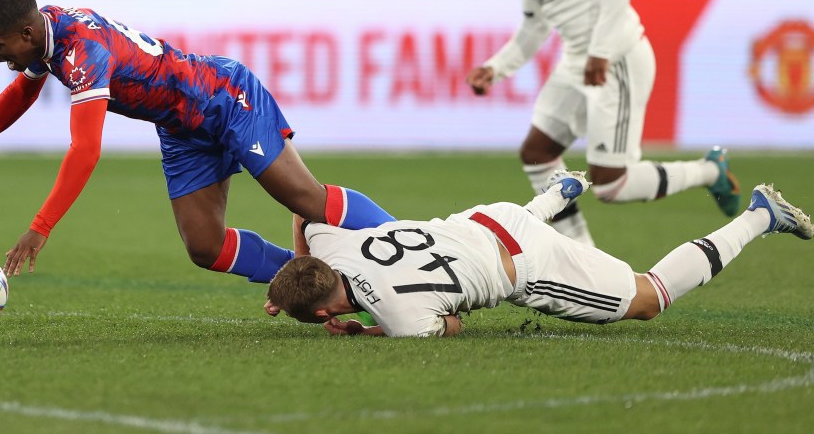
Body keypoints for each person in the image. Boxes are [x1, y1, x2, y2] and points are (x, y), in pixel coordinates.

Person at [0, 0, 394, 281]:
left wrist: (39, 229)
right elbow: (23, 91)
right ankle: (302, 280)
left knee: (306, 201)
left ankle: (409, 242)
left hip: (224, 100)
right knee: (204, 247)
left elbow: (86, 150)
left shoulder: (82, 52)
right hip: (180, 128)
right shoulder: (45, 30)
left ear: (25, 34)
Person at [466, 0, 739, 246]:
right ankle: (582, 257)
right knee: (538, 153)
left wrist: (601, 52)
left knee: (612, 185)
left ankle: (710, 171)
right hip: (580, 61)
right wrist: (495, 68)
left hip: (616, 58)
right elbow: (535, 25)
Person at [265, 174, 812, 338]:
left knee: (648, 298)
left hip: (529, 263)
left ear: (323, 315)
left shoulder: (398, 315)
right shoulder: (328, 244)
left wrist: (366, 332)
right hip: (489, 215)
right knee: (490, 229)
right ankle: (555, 196)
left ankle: (761, 215)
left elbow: (451, 325)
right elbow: (305, 209)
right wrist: (297, 264)